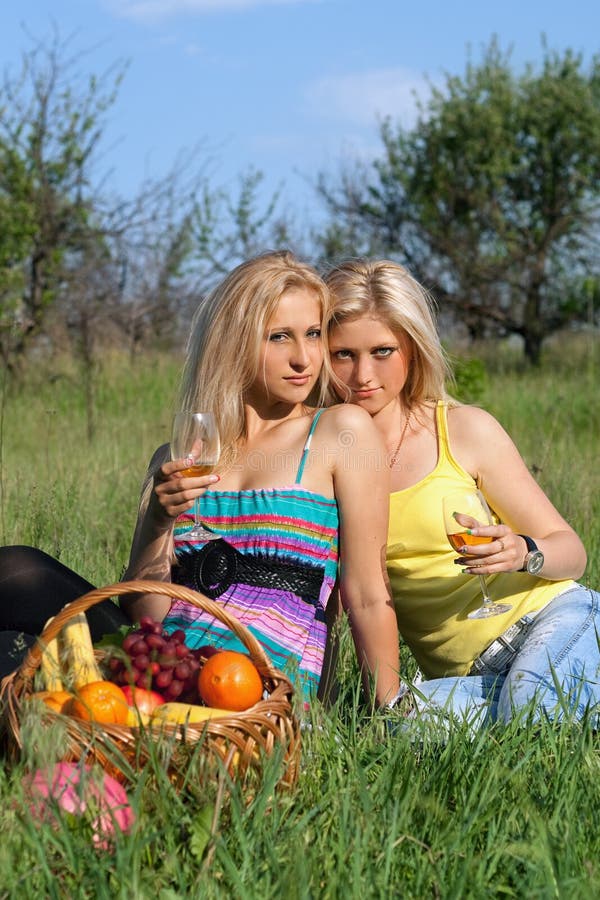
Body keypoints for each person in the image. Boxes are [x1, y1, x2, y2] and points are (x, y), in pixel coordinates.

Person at [1, 251, 400, 710]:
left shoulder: (337, 431)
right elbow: (147, 611)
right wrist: (158, 519)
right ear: (234, 342)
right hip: (162, 661)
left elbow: (367, 594)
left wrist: (389, 715)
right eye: (279, 338)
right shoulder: (182, 456)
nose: (303, 358)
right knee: (15, 577)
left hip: (251, 680)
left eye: (313, 334)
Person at [324, 257, 599, 726]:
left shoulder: (464, 430)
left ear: (412, 349)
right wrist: (322, 711)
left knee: (529, 706)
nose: (363, 374)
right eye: (343, 354)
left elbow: (572, 552)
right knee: (397, 728)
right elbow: (329, 604)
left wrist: (523, 552)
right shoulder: (326, 460)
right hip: (466, 676)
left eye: (383, 351)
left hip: (551, 621)